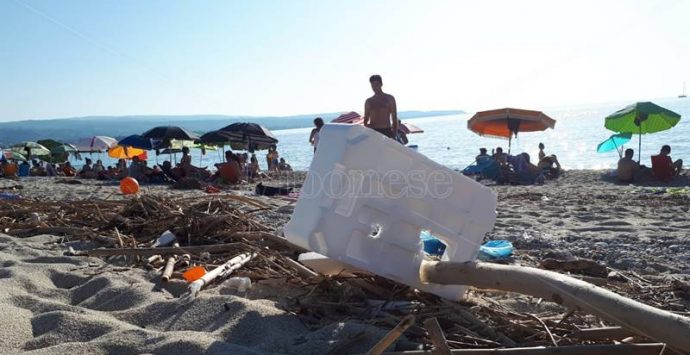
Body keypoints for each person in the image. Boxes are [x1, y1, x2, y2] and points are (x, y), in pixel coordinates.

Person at [363, 74, 398, 139]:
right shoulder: (369, 101)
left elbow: (394, 118)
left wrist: (394, 135)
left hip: (387, 131)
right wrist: (367, 127)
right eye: (372, 86)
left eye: (376, 85)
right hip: (373, 132)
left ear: (381, 84)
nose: (374, 87)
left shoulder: (389, 98)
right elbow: (365, 120)